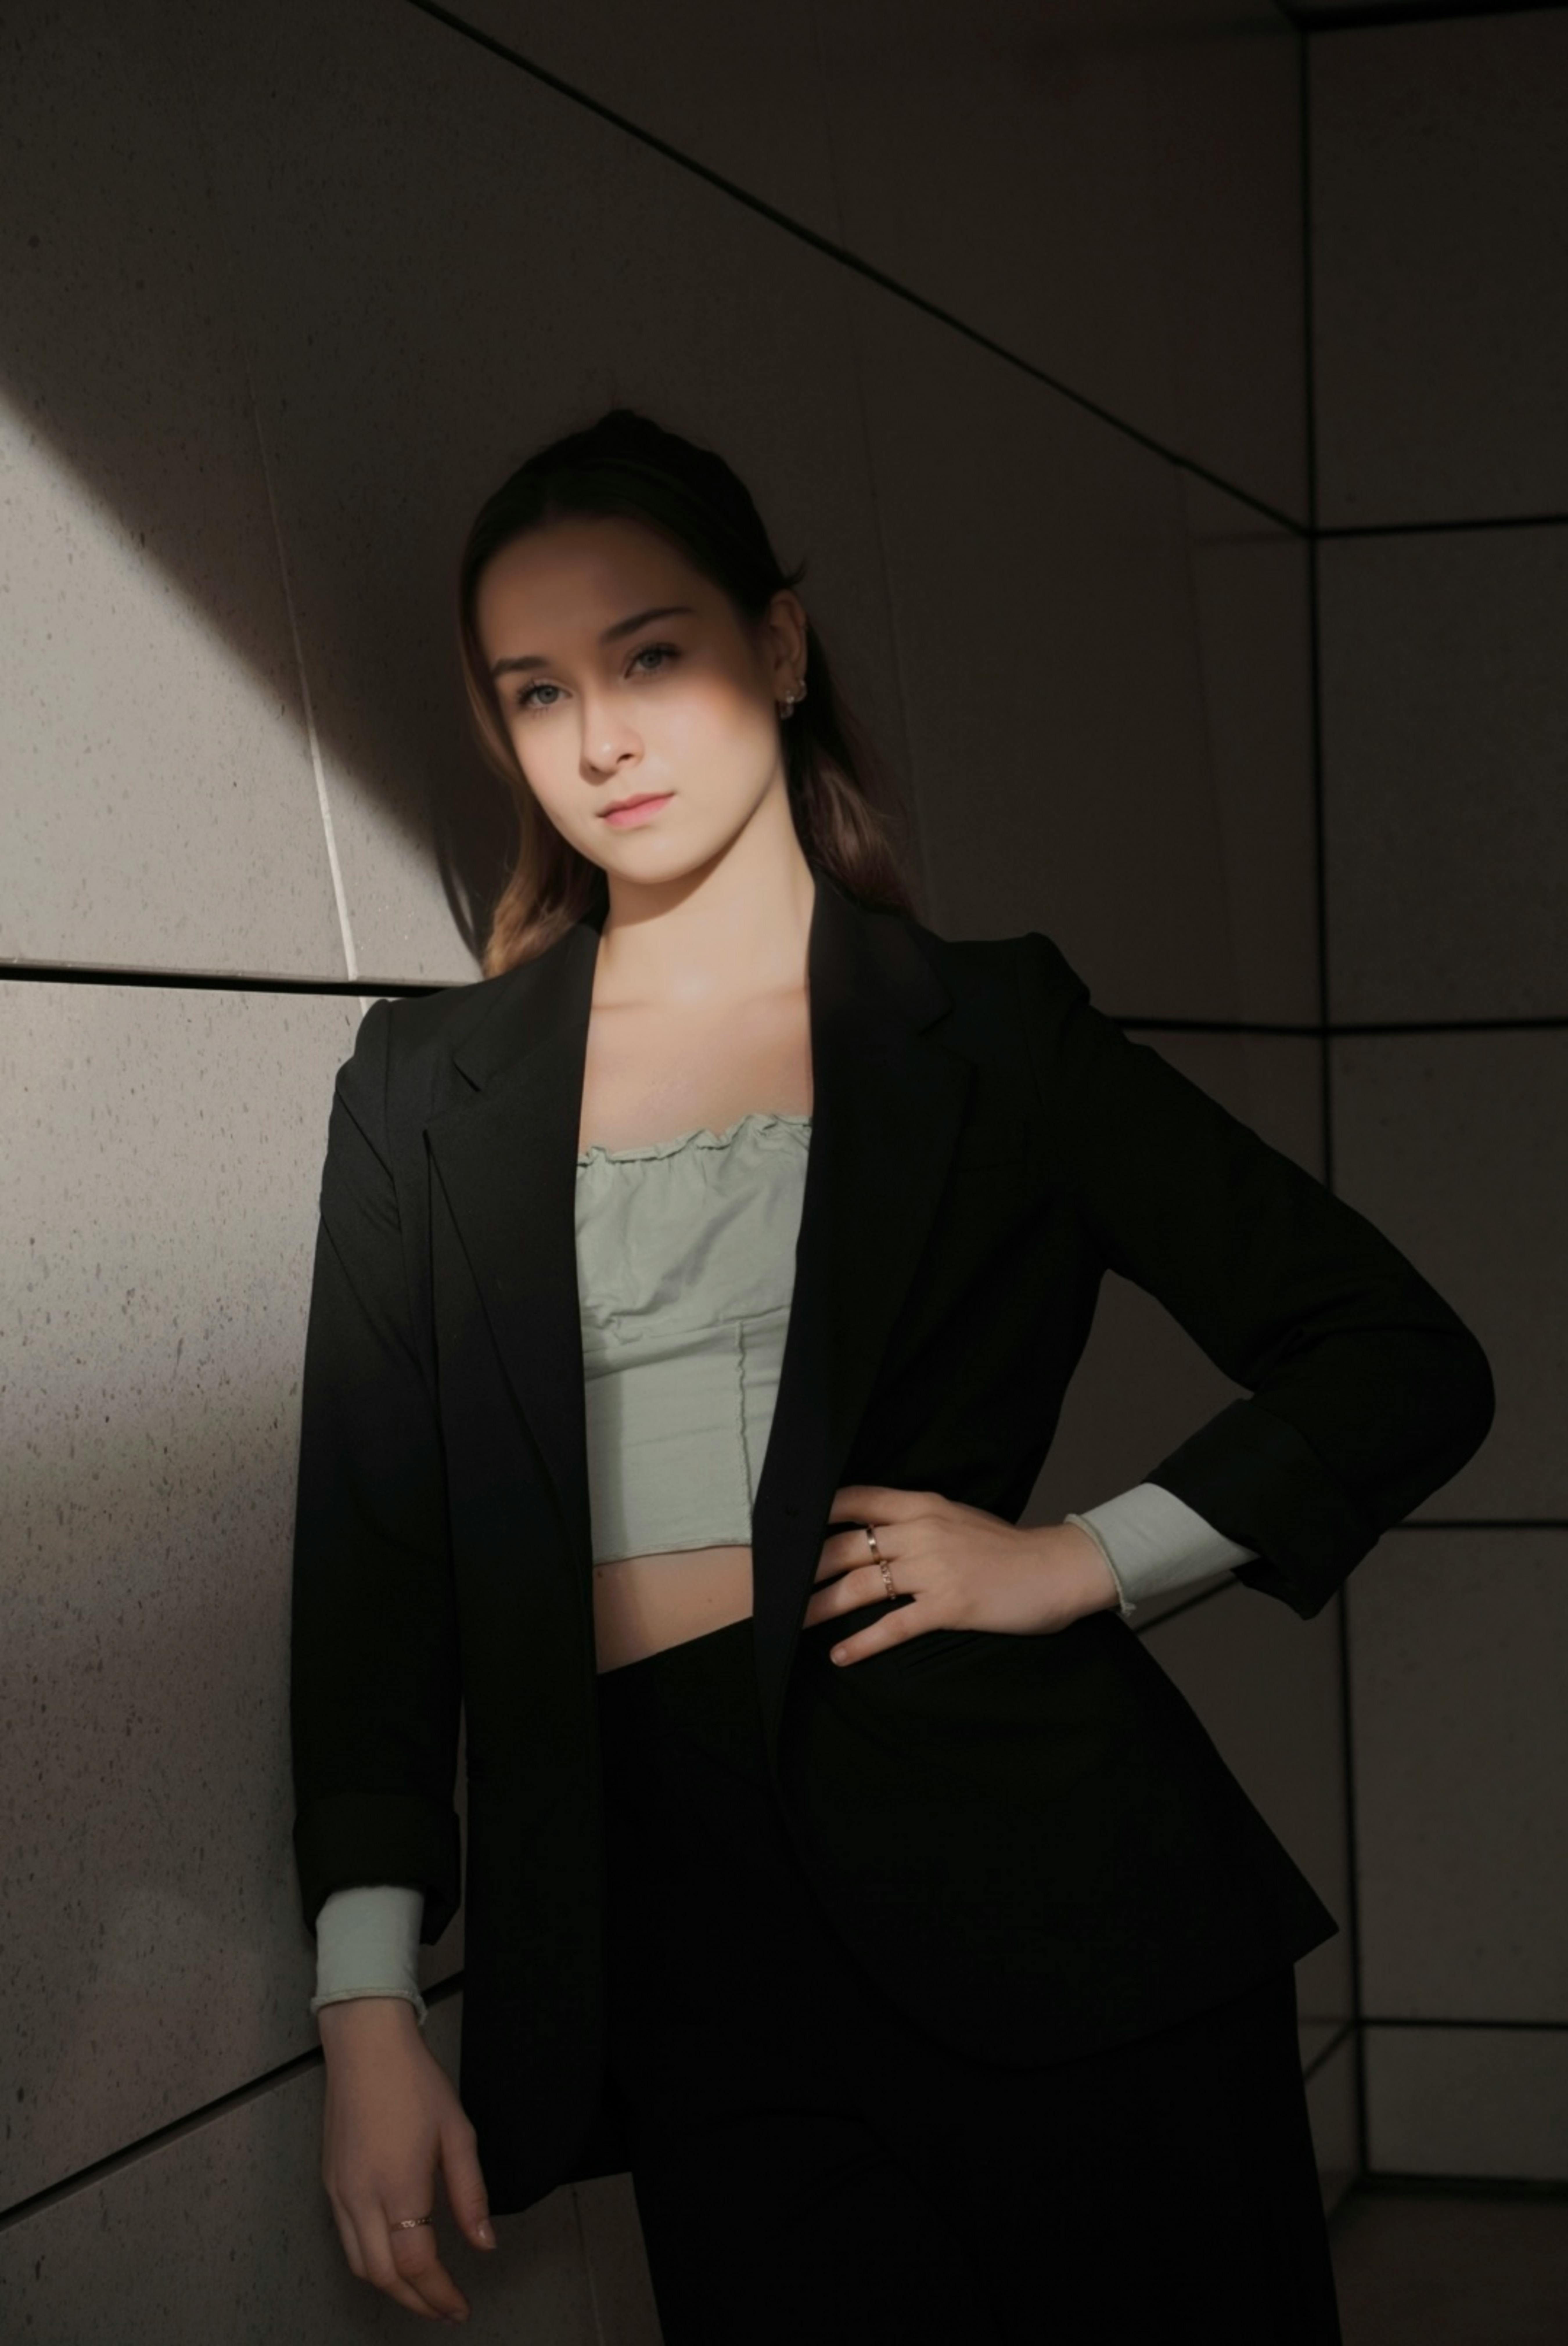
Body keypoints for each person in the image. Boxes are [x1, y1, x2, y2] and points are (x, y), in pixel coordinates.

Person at [291, 407, 1495, 2341]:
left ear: (777, 649)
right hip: (674, 1951)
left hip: (1055, 1902)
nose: (599, 741)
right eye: (537, 692)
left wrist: (1085, 1559)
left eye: (652, 657)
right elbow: (371, 1582)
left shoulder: (989, 1028)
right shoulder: (422, 1093)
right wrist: (365, 2009)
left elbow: (1395, 1356)